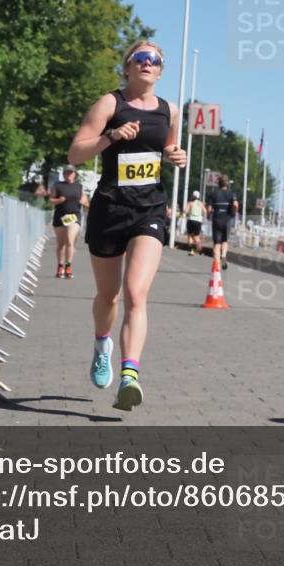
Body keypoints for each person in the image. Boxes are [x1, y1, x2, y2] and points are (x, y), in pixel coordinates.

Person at [67, 40, 186, 411]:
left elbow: (168, 149)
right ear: (128, 66)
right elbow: (75, 152)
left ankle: (130, 374)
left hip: (149, 209)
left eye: (155, 60)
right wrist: (111, 137)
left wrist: (176, 155)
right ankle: (103, 343)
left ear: (161, 70)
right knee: (109, 296)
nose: (148, 64)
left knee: (136, 293)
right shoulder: (110, 103)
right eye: (141, 58)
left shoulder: (170, 111)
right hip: (109, 209)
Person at [48, 165, 88, 279]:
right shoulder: (58, 186)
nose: (68, 175)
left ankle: (68, 266)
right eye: (66, 173)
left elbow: (85, 200)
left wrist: (84, 202)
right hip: (60, 217)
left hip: (74, 217)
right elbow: (50, 201)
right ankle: (60, 266)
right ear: (64, 174)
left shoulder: (79, 186)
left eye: (71, 173)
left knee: (70, 241)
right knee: (61, 244)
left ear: (75, 174)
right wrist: (58, 200)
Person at [207, 176, 238, 269]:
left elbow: (209, 209)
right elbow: (235, 204)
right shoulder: (232, 193)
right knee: (225, 240)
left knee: (217, 242)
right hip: (227, 219)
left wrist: (211, 214)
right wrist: (233, 212)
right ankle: (223, 255)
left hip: (217, 219)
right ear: (227, 184)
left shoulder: (214, 194)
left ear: (219, 183)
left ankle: (217, 262)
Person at [185, 191, 206, 255]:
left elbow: (186, 211)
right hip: (198, 221)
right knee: (197, 236)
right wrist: (202, 218)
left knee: (190, 236)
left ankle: (192, 250)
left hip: (191, 220)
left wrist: (187, 214)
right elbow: (205, 211)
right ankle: (199, 250)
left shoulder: (190, 203)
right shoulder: (201, 203)